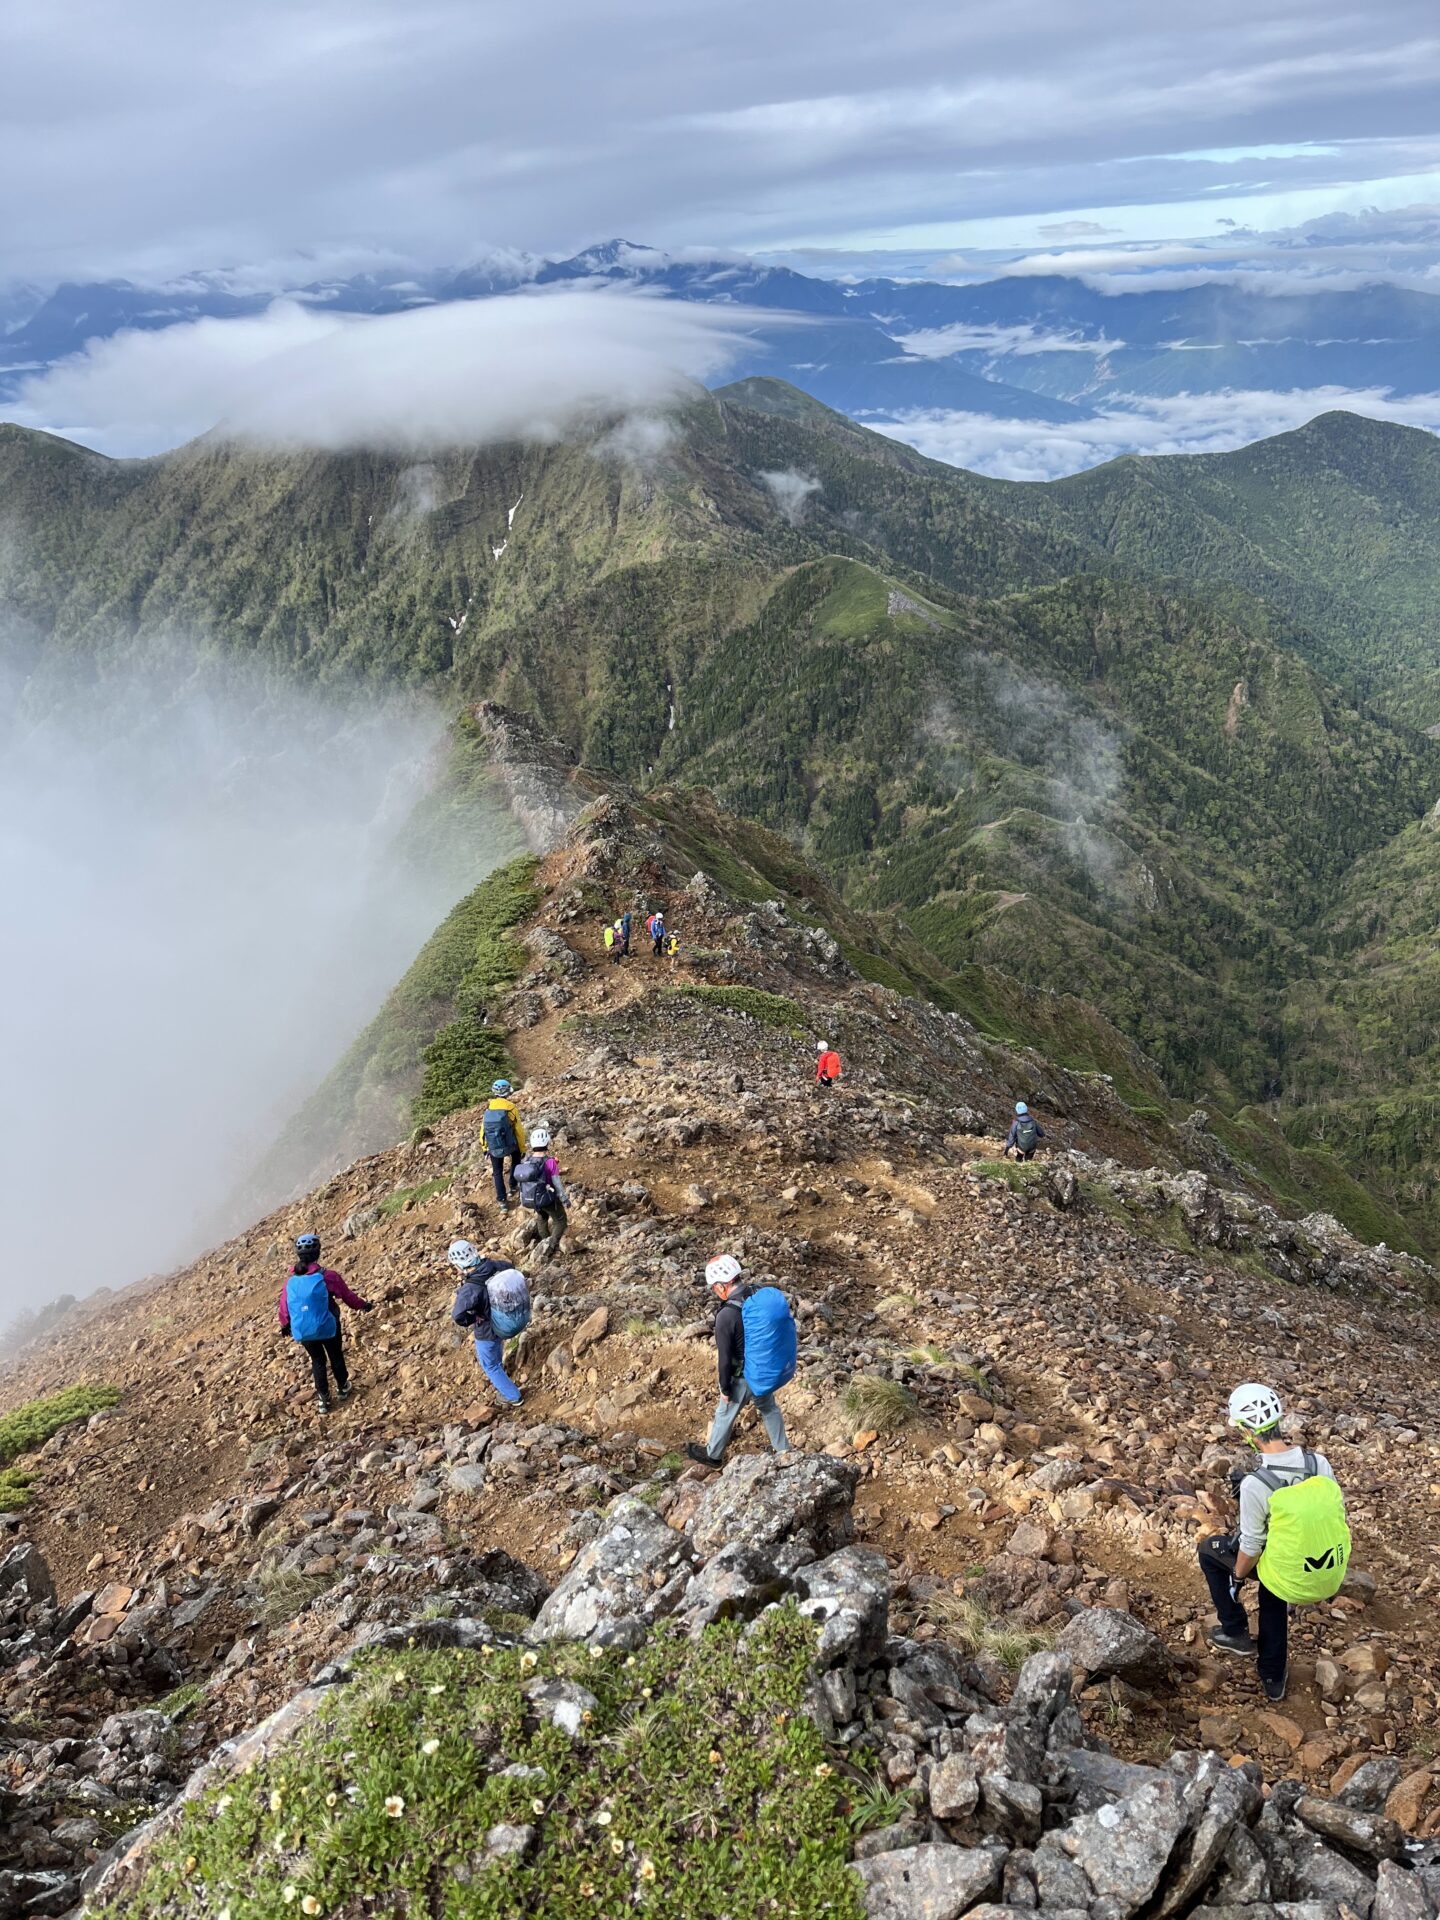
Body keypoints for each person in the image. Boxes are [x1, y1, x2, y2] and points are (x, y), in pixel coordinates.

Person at [1198, 1383, 1350, 1703]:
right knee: (1279, 1565)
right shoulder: (1318, 1464)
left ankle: (1237, 1633)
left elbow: (1252, 1544)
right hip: (1325, 1567)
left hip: (1288, 1574)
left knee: (1213, 1554)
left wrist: (1237, 1577)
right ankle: (1272, 1673)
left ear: (1245, 1429)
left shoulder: (1256, 1484)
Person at [686, 1255, 796, 1467]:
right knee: (768, 1407)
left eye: (714, 1288)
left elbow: (725, 1359)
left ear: (720, 1286)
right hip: (763, 1369)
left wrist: (725, 1389)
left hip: (744, 1376)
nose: (714, 1291)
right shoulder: (755, 1293)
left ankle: (713, 1455)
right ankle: (783, 1451)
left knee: (725, 1412)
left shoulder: (726, 1315)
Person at [277, 1232, 374, 1414]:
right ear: (318, 1252)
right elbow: (347, 1297)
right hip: (328, 1325)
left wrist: (285, 1325)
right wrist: (363, 1306)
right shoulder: (328, 1276)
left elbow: (284, 1307)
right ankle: (343, 1387)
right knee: (336, 1355)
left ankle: (323, 1399)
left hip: (304, 1330)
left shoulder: (290, 1282)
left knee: (317, 1361)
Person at [449, 1239, 530, 1405]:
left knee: (490, 1365)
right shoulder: (496, 1265)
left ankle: (513, 1397)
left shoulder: (470, 1288)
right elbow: (511, 1267)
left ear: (460, 1265)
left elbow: (458, 1315)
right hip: (504, 1319)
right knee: (496, 1349)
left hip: (486, 1329)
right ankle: (501, 1368)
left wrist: (473, 1318)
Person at [513, 1124, 569, 1264]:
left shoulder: (527, 1161)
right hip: (548, 1197)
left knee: (542, 1218)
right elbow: (557, 1184)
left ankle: (544, 1242)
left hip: (532, 1198)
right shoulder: (550, 1162)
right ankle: (551, 1246)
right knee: (560, 1221)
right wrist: (565, 1199)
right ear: (547, 1142)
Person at [482, 1079, 528, 1209]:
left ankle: (502, 1201)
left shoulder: (489, 1108)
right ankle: (513, 1186)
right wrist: (522, 1147)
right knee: (516, 1160)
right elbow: (518, 1130)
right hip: (510, 1145)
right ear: (507, 1092)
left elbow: (483, 1130)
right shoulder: (511, 1108)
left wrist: (485, 1148)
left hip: (494, 1146)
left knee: (497, 1172)